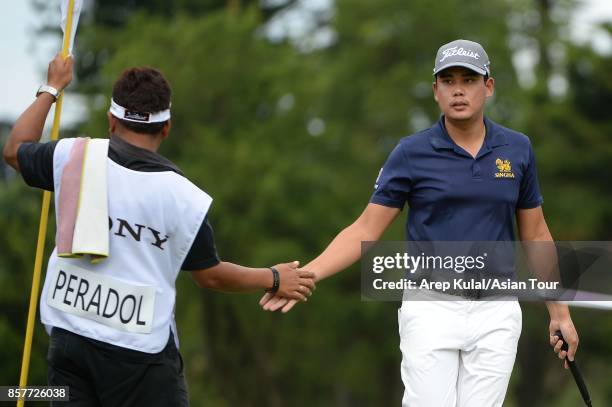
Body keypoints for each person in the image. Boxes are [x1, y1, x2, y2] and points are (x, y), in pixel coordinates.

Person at [260, 39, 579, 406]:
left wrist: (560, 312)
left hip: (496, 309)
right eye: (448, 80)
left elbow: (536, 234)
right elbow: (366, 228)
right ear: (435, 91)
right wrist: (309, 274)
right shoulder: (411, 153)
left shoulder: (517, 149)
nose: (458, 89)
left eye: (469, 79)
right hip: (430, 308)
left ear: (488, 86)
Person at [3, 54, 315, 406]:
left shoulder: (72, 156)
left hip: (69, 338)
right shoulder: (184, 197)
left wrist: (53, 88)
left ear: (111, 120)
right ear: (166, 128)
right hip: (141, 355)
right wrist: (273, 278)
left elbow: (15, 150)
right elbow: (209, 276)